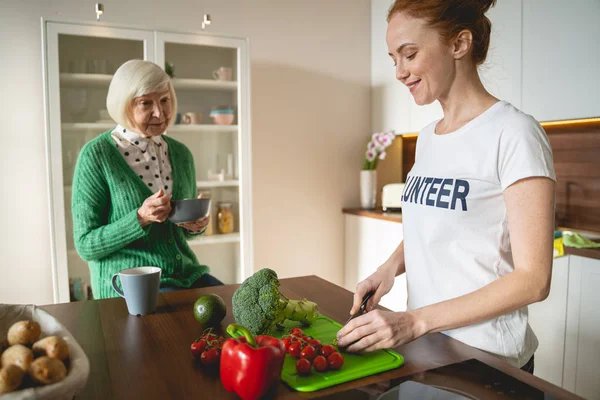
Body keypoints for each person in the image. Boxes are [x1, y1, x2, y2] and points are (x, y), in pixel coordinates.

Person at [336, 0, 555, 374]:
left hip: (488, 360)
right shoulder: (427, 138)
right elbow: (434, 223)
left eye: (409, 54)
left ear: (459, 44)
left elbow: (533, 280)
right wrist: (389, 269)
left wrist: (414, 320)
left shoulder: (514, 133)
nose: (400, 72)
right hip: (430, 349)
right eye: (393, 59)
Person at [72, 60, 223, 299]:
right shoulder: (97, 155)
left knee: (233, 304)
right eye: (146, 103)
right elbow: (86, 245)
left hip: (185, 275)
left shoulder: (182, 154)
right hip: (131, 283)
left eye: (164, 100)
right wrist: (140, 218)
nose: (160, 112)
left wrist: (195, 225)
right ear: (124, 105)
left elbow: (181, 234)